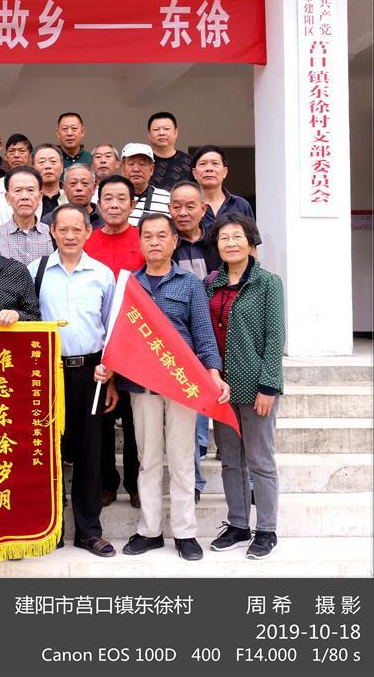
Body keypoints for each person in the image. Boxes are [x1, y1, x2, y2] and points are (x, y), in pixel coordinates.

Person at [119, 213, 229, 562]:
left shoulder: (190, 284)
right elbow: (117, 335)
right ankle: (149, 530)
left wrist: (213, 372)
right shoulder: (128, 285)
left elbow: (204, 334)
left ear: (173, 241)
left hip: (182, 385)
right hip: (141, 385)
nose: (154, 242)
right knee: (148, 460)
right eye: (147, 236)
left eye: (160, 236)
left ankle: (185, 533)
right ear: (139, 242)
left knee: (182, 460)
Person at [28, 205, 118, 557]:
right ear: (52, 232)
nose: (69, 236)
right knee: (46, 451)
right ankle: (49, 528)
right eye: (62, 229)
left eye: (76, 229)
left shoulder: (102, 274)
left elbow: (111, 329)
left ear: (87, 232)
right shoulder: (35, 271)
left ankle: (88, 531)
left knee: (89, 453)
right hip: (47, 373)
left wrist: (110, 374)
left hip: (92, 373)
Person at [206, 214, 284, 560]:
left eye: (237, 236)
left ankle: (266, 530)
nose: (231, 243)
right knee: (230, 461)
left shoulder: (268, 282)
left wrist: (269, 386)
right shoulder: (212, 283)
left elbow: (275, 337)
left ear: (250, 242)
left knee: (260, 460)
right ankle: (238, 524)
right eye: (224, 238)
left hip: (256, 388)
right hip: (220, 388)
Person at [84, 176, 144, 509]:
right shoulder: (88, 241)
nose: (115, 205)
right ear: (98, 203)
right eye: (108, 198)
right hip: (99, 344)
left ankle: (135, 483)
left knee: (135, 421)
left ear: (133, 205)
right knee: (102, 418)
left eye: (122, 198)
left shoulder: (143, 238)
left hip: (136, 344)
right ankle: (108, 482)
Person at [170, 180, 222, 503]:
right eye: (177, 206)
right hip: (179, 340)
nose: (183, 212)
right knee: (191, 408)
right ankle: (195, 480)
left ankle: (201, 468)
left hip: (215, 331)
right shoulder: (165, 242)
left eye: (190, 206)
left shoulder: (218, 242)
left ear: (203, 209)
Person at [191, 145, 256, 229]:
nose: (209, 168)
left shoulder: (241, 205)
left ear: (225, 172)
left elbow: (251, 237)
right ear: (194, 173)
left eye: (215, 163)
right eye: (203, 164)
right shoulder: (189, 207)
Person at [0, 166, 54, 264]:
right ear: (7, 198)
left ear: (40, 196)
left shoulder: (52, 234)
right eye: (17, 191)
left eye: (30, 190)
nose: (24, 197)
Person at [121, 142, 171, 226]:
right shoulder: (112, 198)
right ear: (123, 169)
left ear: (151, 169)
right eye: (131, 164)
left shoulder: (166, 198)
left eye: (142, 164)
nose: (136, 169)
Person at [147, 112, 193, 190]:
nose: (161, 133)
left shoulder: (190, 162)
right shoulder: (143, 161)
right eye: (156, 129)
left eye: (166, 129)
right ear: (149, 134)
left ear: (176, 133)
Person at [50, 163, 103, 228]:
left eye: (85, 183)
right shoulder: (51, 220)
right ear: (64, 189)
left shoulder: (105, 219)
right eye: (73, 183)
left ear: (94, 188)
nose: (79, 188)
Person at [33, 144, 66, 220]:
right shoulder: (28, 198)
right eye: (42, 162)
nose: (48, 166)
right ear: (33, 168)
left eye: (53, 161)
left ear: (62, 168)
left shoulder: (70, 197)